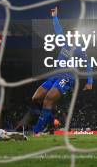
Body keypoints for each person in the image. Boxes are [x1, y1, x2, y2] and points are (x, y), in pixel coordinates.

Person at [31, 7, 93, 135]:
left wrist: (90, 81)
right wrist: (54, 16)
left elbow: (88, 64)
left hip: (67, 78)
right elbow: (58, 30)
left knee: (48, 99)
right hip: (54, 76)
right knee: (36, 98)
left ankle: (36, 131)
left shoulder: (80, 50)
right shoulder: (65, 43)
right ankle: (54, 119)